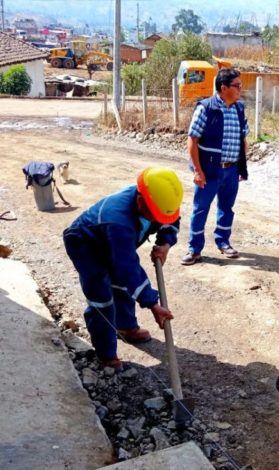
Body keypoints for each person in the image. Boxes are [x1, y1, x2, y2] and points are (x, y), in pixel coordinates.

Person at [63, 167, 183, 370]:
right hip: (85, 244)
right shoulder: (118, 220)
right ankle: (106, 354)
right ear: (140, 200)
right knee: (101, 298)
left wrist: (165, 243)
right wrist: (152, 304)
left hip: (115, 241)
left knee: (121, 285)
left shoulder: (159, 201)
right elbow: (127, 267)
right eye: (153, 216)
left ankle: (126, 327)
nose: (156, 220)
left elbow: (169, 220)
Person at [181, 68, 249, 266]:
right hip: (209, 170)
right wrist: (197, 170)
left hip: (231, 170)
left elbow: (243, 138)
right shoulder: (206, 108)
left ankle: (223, 241)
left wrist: (241, 166)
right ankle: (194, 249)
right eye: (237, 86)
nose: (240, 89)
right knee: (200, 209)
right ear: (223, 87)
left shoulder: (239, 108)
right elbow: (192, 140)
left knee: (227, 208)